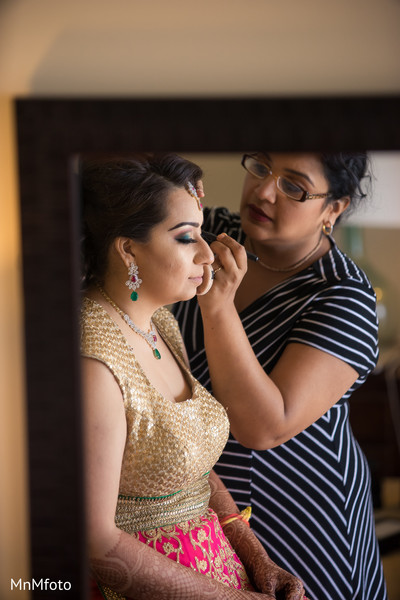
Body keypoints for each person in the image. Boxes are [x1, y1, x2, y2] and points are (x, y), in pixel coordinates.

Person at [80, 153, 307, 600]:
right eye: (186, 238)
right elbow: (95, 539)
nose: (207, 254)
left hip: (220, 565)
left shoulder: (159, 321)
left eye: (201, 234)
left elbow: (197, 473)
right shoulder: (93, 361)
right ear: (128, 249)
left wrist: (257, 559)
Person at [173, 152, 387, 600]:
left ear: (334, 208)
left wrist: (217, 306)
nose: (265, 191)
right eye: (262, 167)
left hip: (300, 516)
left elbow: (263, 426)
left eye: (294, 186)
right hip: (201, 507)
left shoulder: (344, 298)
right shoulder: (211, 231)